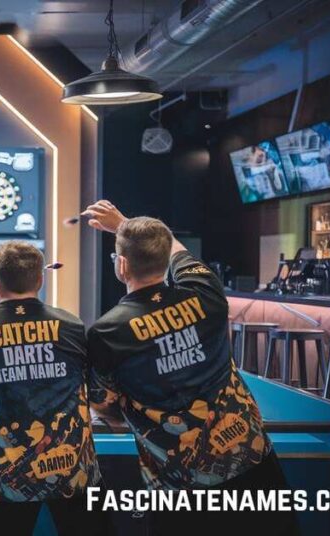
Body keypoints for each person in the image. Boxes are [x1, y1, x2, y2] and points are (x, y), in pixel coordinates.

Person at [82, 200, 299, 536]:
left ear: (122, 266)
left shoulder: (107, 331)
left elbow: (102, 403)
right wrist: (124, 224)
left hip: (176, 482)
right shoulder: (206, 292)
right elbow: (176, 249)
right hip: (250, 460)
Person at [0, 240, 112, 536]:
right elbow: (100, 389)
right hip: (74, 471)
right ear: (40, 280)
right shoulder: (72, 326)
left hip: (9, 475)